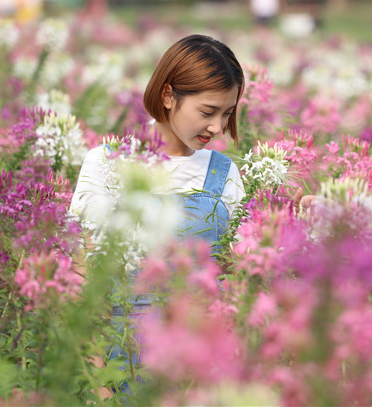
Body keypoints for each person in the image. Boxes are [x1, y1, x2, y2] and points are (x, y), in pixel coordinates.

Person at [70, 34, 246, 392]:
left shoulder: (223, 173)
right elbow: (84, 284)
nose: (217, 127)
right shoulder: (106, 163)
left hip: (201, 368)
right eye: (207, 112)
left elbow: (235, 276)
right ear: (168, 96)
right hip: (127, 363)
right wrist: (99, 388)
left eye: (227, 113)